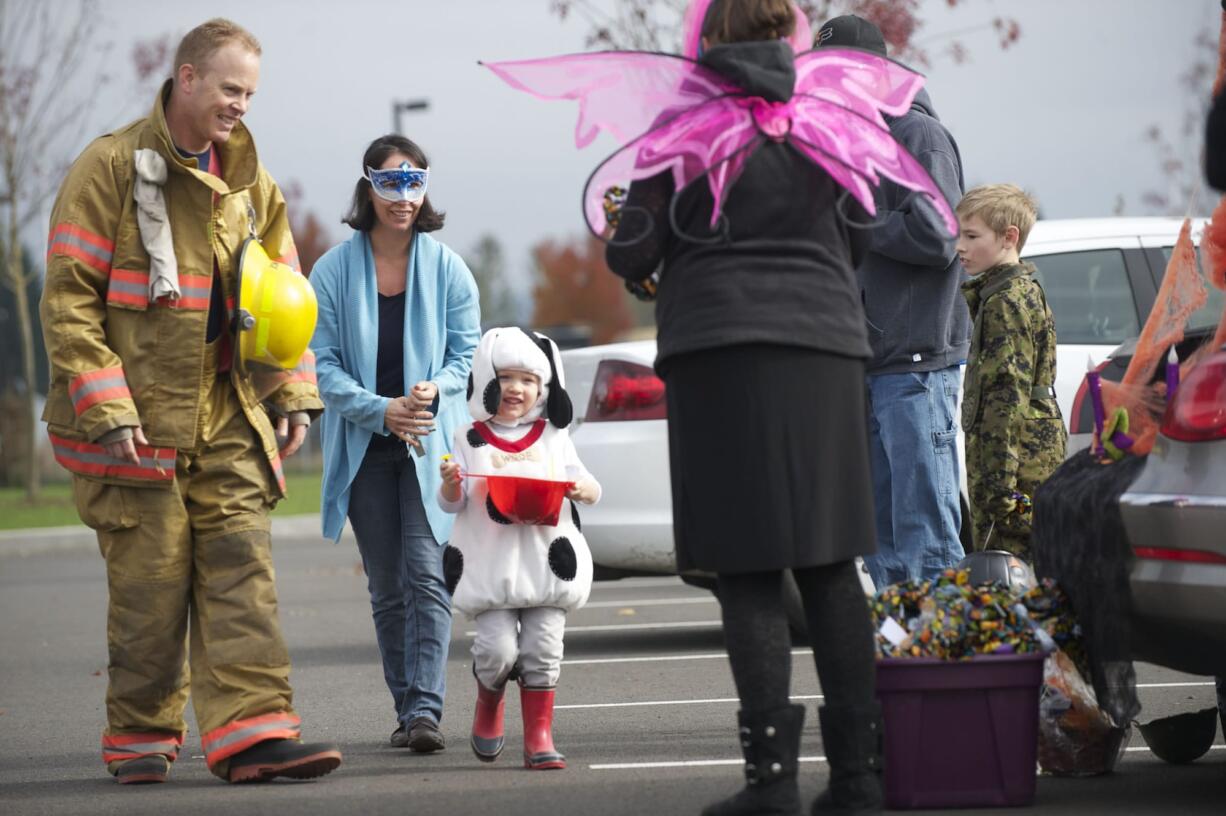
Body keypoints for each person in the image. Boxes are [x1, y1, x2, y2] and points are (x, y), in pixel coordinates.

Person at [605, 2, 890, 812]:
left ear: (709, 39)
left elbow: (633, 248)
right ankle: (860, 778)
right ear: (789, 33)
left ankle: (772, 784)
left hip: (720, 351)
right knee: (833, 564)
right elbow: (865, 230)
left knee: (749, 569)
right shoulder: (830, 115)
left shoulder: (685, 124)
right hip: (824, 347)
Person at [40, 19, 341, 784]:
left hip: (227, 405)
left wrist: (294, 392)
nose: (241, 105)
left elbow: (287, 294)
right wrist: (108, 410)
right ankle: (140, 737)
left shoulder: (252, 183)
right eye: (230, 88)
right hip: (136, 423)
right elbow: (70, 303)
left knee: (244, 565)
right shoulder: (107, 168)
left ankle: (254, 736)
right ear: (187, 79)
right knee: (153, 585)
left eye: (250, 93)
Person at [309, 135, 481, 752]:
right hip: (366, 447)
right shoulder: (330, 271)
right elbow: (322, 366)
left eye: (414, 182)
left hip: (429, 446)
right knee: (386, 585)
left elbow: (467, 351)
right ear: (368, 187)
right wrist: (382, 411)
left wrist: (435, 390)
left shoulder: (449, 268)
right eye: (390, 182)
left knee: (426, 575)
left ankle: (427, 712)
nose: (403, 196)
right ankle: (408, 709)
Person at [816, 14, 970, 589]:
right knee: (880, 538)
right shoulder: (849, 145)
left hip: (915, 365)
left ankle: (943, 670)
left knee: (925, 535)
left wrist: (858, 222)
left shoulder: (918, 136)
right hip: (867, 365)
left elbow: (939, 236)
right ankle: (902, 663)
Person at [438, 327, 600, 771]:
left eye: (529, 380)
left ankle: (539, 735)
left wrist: (585, 488)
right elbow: (451, 502)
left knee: (544, 649)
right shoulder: (468, 437)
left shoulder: (553, 437)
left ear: (545, 388)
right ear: (486, 380)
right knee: (496, 652)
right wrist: (450, 485)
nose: (517, 389)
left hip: (547, 567)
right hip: (491, 568)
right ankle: (488, 698)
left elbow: (587, 482)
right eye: (507, 377)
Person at [956, 184, 1066, 559]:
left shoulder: (1006, 302)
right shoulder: (1011, 292)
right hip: (1025, 460)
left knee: (1009, 567)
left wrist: (1000, 491)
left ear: (1009, 237)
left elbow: (1007, 396)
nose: (960, 246)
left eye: (971, 236)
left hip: (1017, 466)